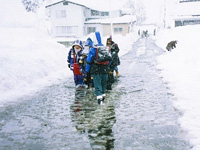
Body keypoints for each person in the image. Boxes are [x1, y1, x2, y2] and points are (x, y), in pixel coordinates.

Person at [86, 32, 112, 105]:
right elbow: (110, 59)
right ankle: (103, 97)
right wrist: (107, 67)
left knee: (97, 85)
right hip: (105, 69)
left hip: (96, 70)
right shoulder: (105, 48)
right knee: (104, 84)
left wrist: (87, 70)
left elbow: (89, 60)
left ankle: (99, 100)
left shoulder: (93, 49)